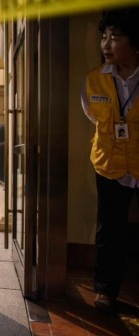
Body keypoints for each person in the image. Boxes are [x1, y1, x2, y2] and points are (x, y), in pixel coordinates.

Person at [81, 6, 139, 313]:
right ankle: (105, 290)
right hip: (108, 163)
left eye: (115, 37)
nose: (106, 44)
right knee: (109, 228)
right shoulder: (94, 80)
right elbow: (92, 115)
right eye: (104, 36)